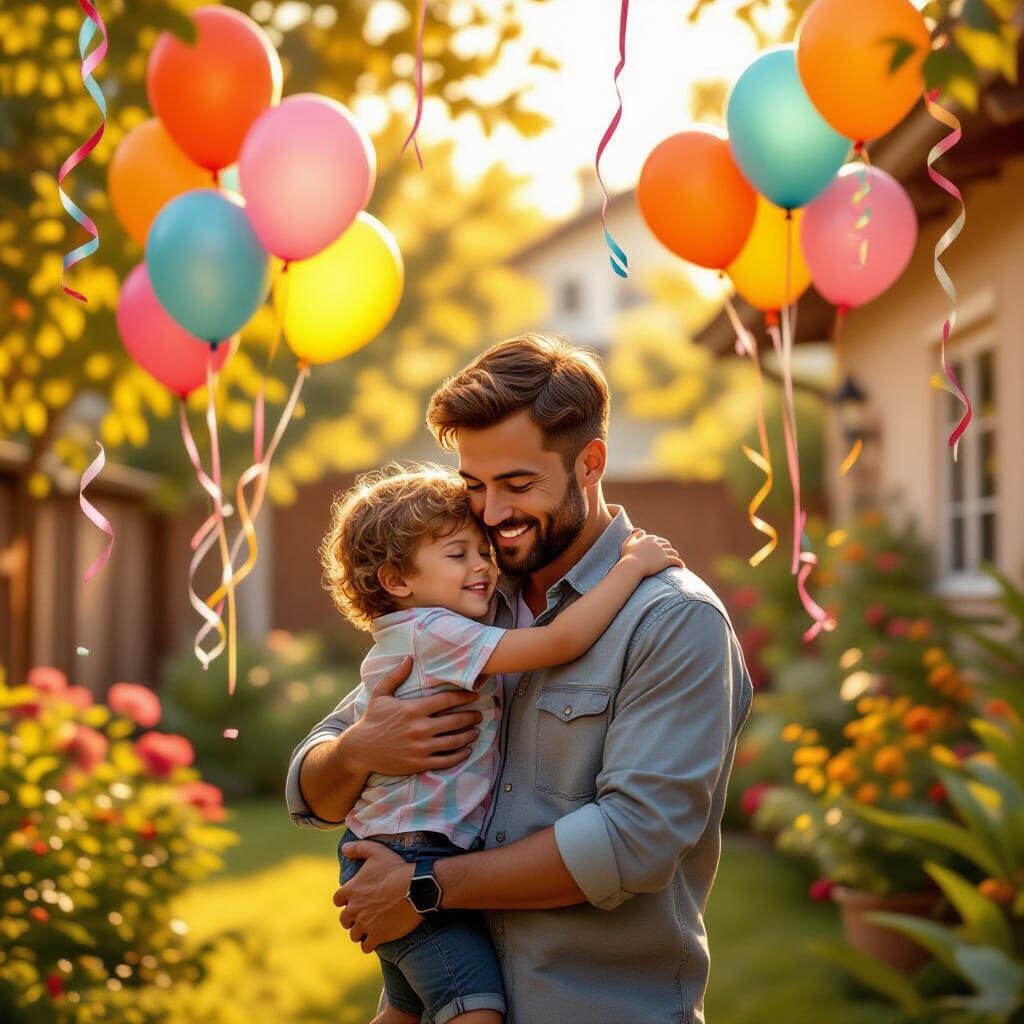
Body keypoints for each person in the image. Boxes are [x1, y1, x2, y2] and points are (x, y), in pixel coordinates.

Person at [286, 333, 754, 1024]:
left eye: (518, 485)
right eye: (475, 486)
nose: (494, 515)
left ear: (589, 463)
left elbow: (633, 843)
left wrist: (423, 887)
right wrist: (357, 752)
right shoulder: (469, 596)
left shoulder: (672, 622)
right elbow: (313, 785)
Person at [319, 462, 682, 1024]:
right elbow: (560, 639)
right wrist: (630, 570)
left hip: (396, 847)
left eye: (481, 552)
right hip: (414, 853)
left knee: (404, 1012)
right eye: (458, 554)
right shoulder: (437, 633)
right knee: (475, 1009)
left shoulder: (413, 631)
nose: (484, 567)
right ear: (397, 580)